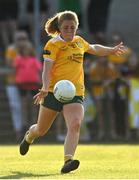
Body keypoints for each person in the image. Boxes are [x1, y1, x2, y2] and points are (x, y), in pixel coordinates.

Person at [19, 10, 126, 173]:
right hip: (53, 92)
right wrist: (44, 88)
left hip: (75, 93)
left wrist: (111, 50)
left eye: (72, 27)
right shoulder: (52, 45)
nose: (69, 30)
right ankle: (29, 136)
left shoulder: (79, 42)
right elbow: (46, 70)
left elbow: (94, 48)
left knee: (75, 124)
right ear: (59, 28)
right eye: (66, 27)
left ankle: (68, 160)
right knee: (41, 130)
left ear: (77, 27)